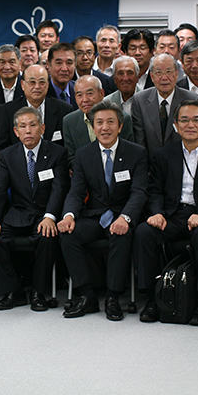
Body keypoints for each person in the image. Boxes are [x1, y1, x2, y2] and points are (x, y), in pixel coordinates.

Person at [135, 99, 198, 325]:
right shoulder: (163, 155)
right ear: (176, 126)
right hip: (172, 214)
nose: (191, 125)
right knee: (144, 233)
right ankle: (152, 299)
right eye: (184, 120)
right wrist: (157, 212)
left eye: (197, 120)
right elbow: (155, 190)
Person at [58, 100, 149, 320]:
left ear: (120, 126)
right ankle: (87, 296)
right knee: (68, 235)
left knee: (121, 233)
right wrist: (69, 215)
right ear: (92, 126)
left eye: (110, 122)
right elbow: (77, 191)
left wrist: (126, 217)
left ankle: (113, 297)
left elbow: (139, 192)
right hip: (95, 215)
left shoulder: (136, 153)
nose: (105, 127)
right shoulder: (83, 154)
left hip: (122, 214)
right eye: (99, 122)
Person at [0, 107, 69, 311]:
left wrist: (50, 216)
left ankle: (38, 292)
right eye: (23, 126)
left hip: (44, 214)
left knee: (47, 236)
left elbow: (59, 189)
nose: (28, 130)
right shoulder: (7, 155)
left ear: (42, 128)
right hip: (18, 214)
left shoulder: (57, 153)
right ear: (16, 131)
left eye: (33, 125)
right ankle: (13, 291)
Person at [130, 53, 197, 162]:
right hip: (151, 166)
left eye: (169, 72)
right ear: (152, 76)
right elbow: (140, 140)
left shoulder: (191, 99)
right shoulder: (140, 100)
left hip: (183, 163)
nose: (164, 77)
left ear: (176, 74)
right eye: (159, 72)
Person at [0, 64, 72, 150]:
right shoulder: (8, 110)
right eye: (32, 82)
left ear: (48, 85)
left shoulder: (64, 109)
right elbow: (2, 147)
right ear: (22, 84)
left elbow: (68, 147)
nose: (37, 87)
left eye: (42, 82)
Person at [63, 75, 134, 167]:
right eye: (79, 95)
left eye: (90, 93)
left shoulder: (122, 118)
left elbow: (129, 153)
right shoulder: (69, 121)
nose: (85, 100)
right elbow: (71, 157)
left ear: (101, 94)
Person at [46, 42, 78, 110]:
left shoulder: (79, 90)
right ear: (49, 65)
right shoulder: (42, 92)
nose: (64, 69)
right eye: (59, 63)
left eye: (69, 63)